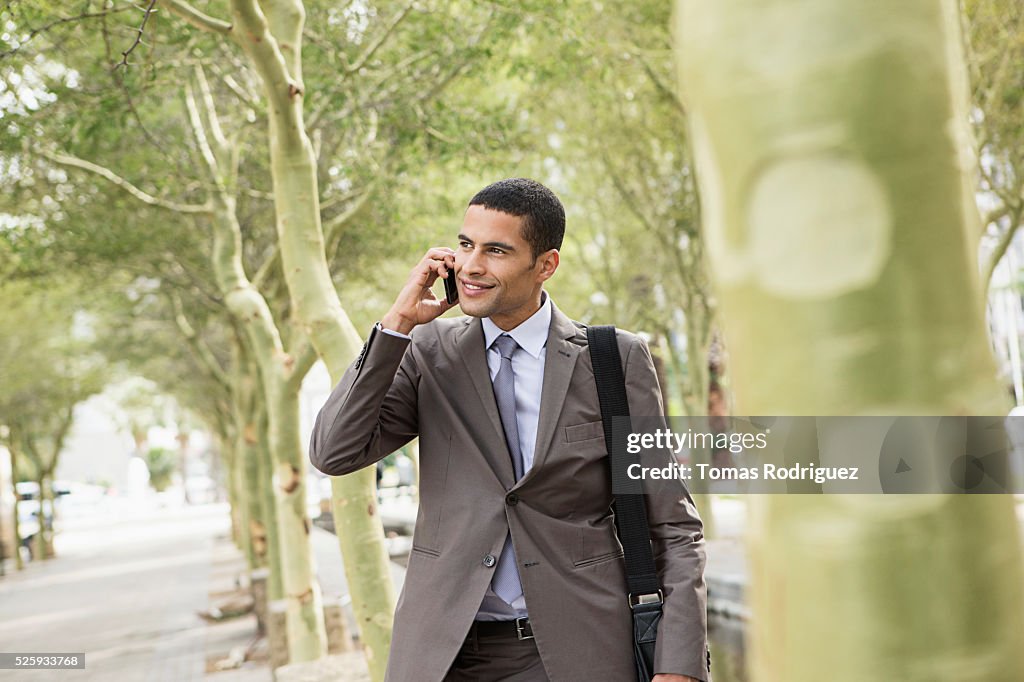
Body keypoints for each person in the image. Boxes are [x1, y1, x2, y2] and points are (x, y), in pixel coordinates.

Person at [310, 178, 710, 682]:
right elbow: (333, 451)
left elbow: (671, 523)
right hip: (443, 655)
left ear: (545, 265)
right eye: (465, 245)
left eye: (496, 250)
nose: (472, 266)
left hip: (577, 652)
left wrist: (679, 666)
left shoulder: (614, 361)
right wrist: (396, 326)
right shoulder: (426, 353)